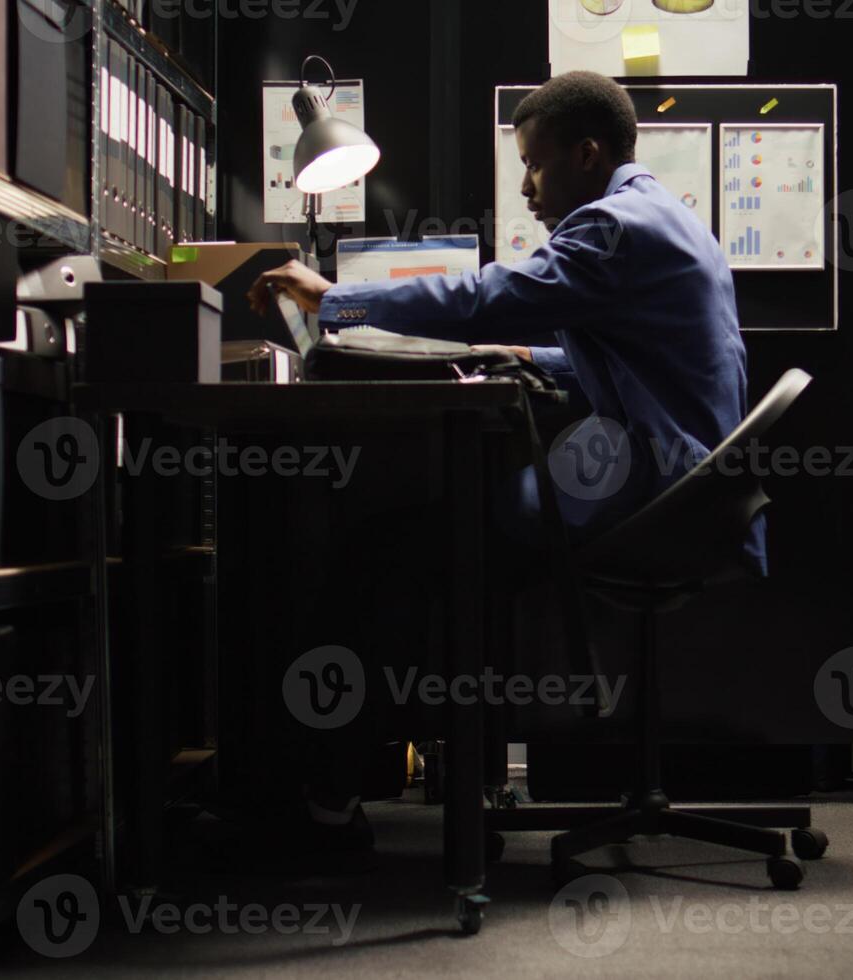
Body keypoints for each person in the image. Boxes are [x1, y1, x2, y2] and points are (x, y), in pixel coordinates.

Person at [241, 70, 763, 858]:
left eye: (536, 163)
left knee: (390, 554)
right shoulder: (658, 215)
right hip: (677, 482)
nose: (525, 187)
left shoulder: (615, 226)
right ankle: (394, 783)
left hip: (654, 489)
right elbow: (621, 356)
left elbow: (492, 291)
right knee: (437, 546)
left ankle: (325, 798)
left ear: (586, 154)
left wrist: (335, 298)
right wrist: (523, 355)